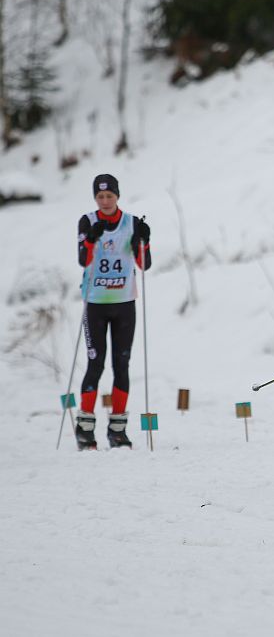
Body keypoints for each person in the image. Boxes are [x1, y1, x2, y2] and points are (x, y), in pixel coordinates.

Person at [74, 174, 151, 450]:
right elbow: (83, 259)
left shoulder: (131, 223)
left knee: (122, 364)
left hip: (124, 303)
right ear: (96, 198)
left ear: (117, 196)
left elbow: (144, 264)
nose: (105, 201)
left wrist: (145, 240)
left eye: (109, 196)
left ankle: (118, 429)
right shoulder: (88, 221)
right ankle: (85, 428)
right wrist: (92, 241)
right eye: (100, 197)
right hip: (96, 303)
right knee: (96, 363)